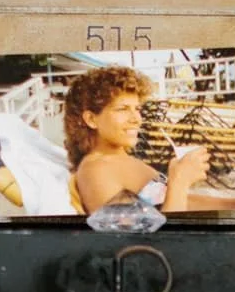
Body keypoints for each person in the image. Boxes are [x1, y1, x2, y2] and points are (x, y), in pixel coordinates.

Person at [65, 65, 220, 215]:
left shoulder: (120, 159)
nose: (137, 119)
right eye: (122, 109)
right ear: (91, 119)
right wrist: (180, 182)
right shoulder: (95, 171)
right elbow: (134, 233)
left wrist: (233, 206)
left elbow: (184, 202)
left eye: (137, 109)